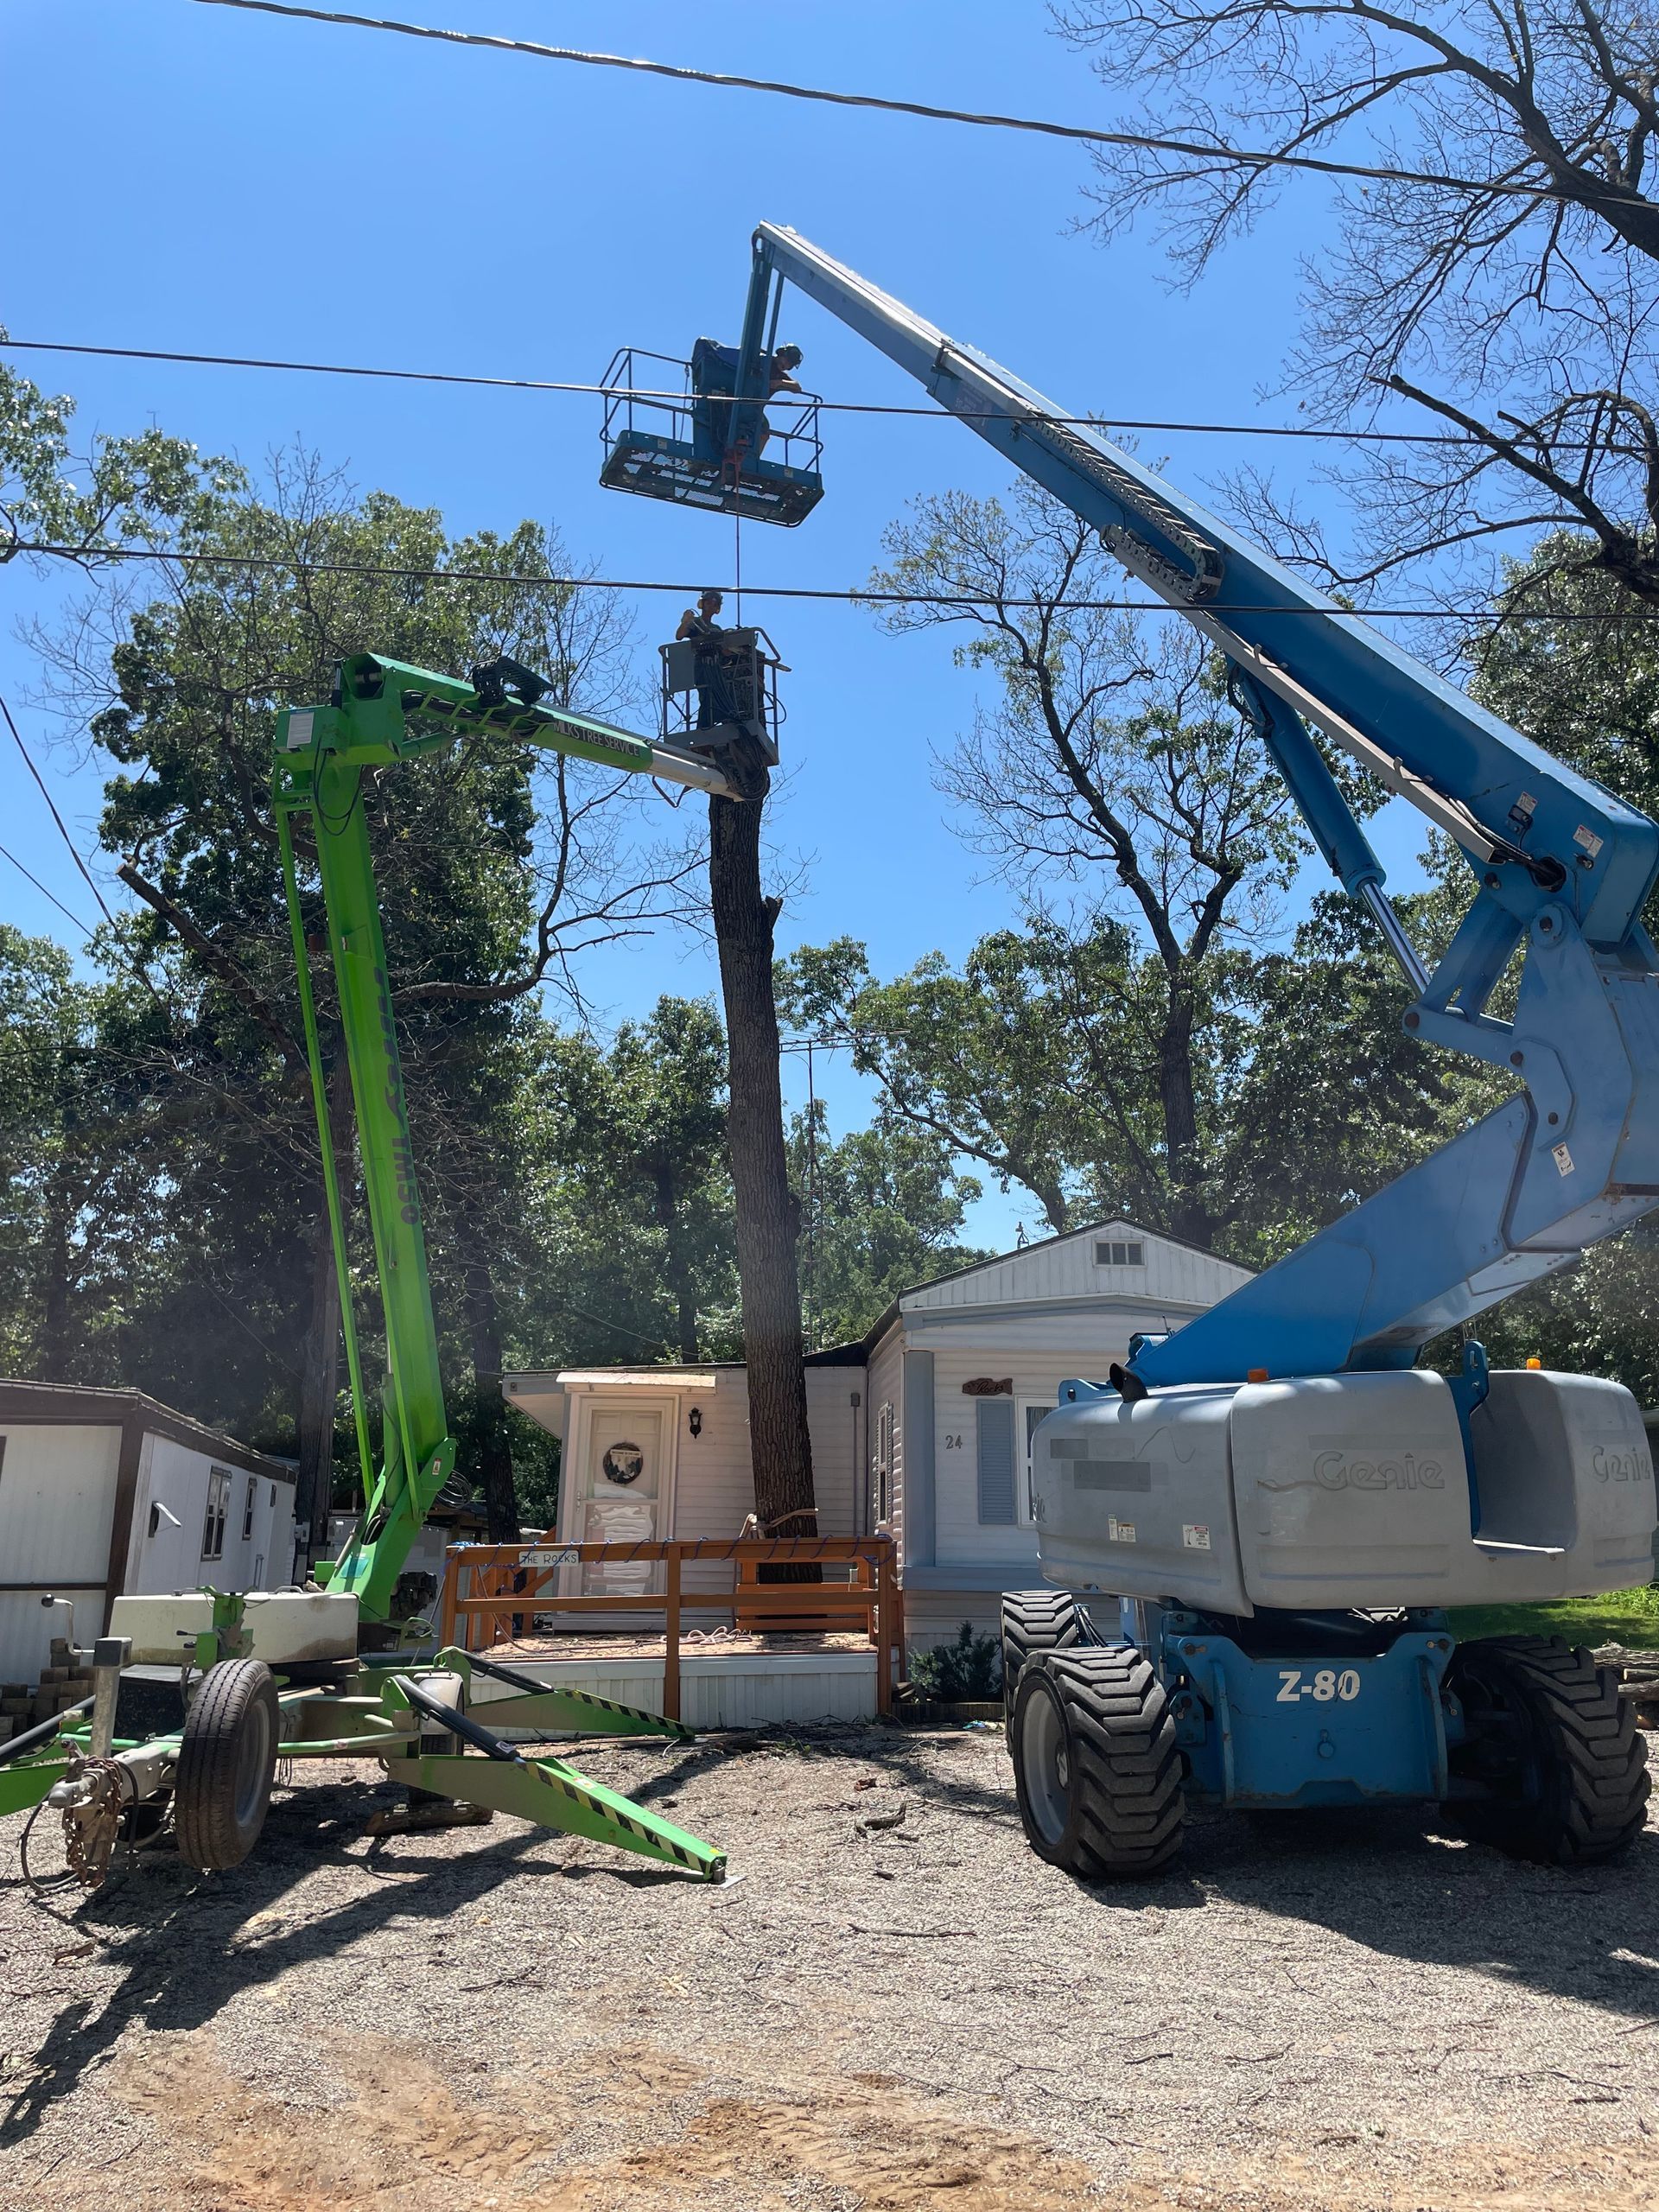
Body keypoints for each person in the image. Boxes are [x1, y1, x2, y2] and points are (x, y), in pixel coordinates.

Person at [677, 588, 736, 729]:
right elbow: (679, 635)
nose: (711, 605)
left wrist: (733, 645)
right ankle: (703, 727)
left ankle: (727, 720)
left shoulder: (716, 628)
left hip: (715, 667)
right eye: (708, 602)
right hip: (702, 665)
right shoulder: (695, 623)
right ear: (702, 604)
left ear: (718, 608)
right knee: (706, 696)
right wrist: (685, 622)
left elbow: (726, 652)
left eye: (715, 604)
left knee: (721, 694)